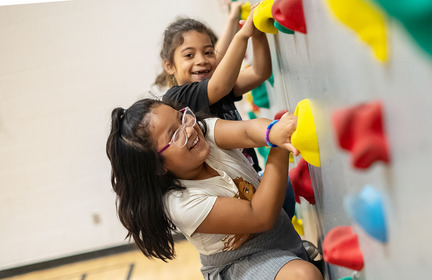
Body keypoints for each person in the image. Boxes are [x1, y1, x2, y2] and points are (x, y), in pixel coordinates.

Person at [106, 98, 322, 280]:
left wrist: (272, 131)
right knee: (304, 275)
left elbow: (247, 132)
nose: (188, 130)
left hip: (275, 228)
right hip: (239, 262)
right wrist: (279, 147)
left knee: (272, 181)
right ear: (158, 166)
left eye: (181, 117)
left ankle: (290, 253)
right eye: (174, 135)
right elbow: (260, 216)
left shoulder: (202, 132)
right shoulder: (181, 204)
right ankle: (289, 262)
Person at [154, 3, 270, 175]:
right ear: (169, 66)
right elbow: (220, 85)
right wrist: (243, 35)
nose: (201, 60)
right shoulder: (178, 99)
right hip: (236, 187)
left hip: (254, 174)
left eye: (208, 52)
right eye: (189, 55)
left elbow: (260, 72)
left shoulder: (213, 87)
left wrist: (258, 34)